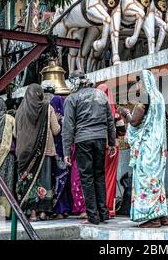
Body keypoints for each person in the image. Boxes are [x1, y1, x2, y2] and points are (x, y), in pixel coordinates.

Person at [62, 72, 116, 225]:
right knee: (99, 175)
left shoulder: (72, 98)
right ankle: (103, 213)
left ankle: (93, 216)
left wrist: (66, 150)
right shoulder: (100, 95)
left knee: (87, 177)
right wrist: (112, 142)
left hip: (83, 140)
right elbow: (110, 121)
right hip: (100, 139)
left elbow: (68, 126)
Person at [119, 70, 168, 228]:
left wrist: (125, 113)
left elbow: (134, 121)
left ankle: (151, 218)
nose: (137, 86)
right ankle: (162, 216)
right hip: (158, 146)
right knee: (156, 182)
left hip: (147, 147)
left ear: (144, 83)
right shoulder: (159, 97)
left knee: (146, 181)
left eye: (138, 82)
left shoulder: (144, 99)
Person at [15, 84, 61, 221]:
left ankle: (32, 213)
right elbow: (56, 130)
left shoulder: (19, 111)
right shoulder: (47, 107)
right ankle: (43, 212)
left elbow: (15, 134)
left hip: (24, 153)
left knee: (29, 181)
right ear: (40, 94)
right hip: (44, 151)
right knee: (44, 181)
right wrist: (57, 120)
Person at [97, 83, 127, 218]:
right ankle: (109, 208)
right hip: (112, 148)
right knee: (110, 177)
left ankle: (97, 208)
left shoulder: (93, 110)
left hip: (96, 147)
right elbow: (122, 131)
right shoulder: (115, 113)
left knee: (96, 177)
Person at [46, 83, 73, 219]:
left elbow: (55, 130)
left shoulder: (54, 112)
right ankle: (67, 209)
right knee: (65, 179)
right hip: (65, 151)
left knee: (57, 178)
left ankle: (59, 209)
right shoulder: (67, 118)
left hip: (57, 151)